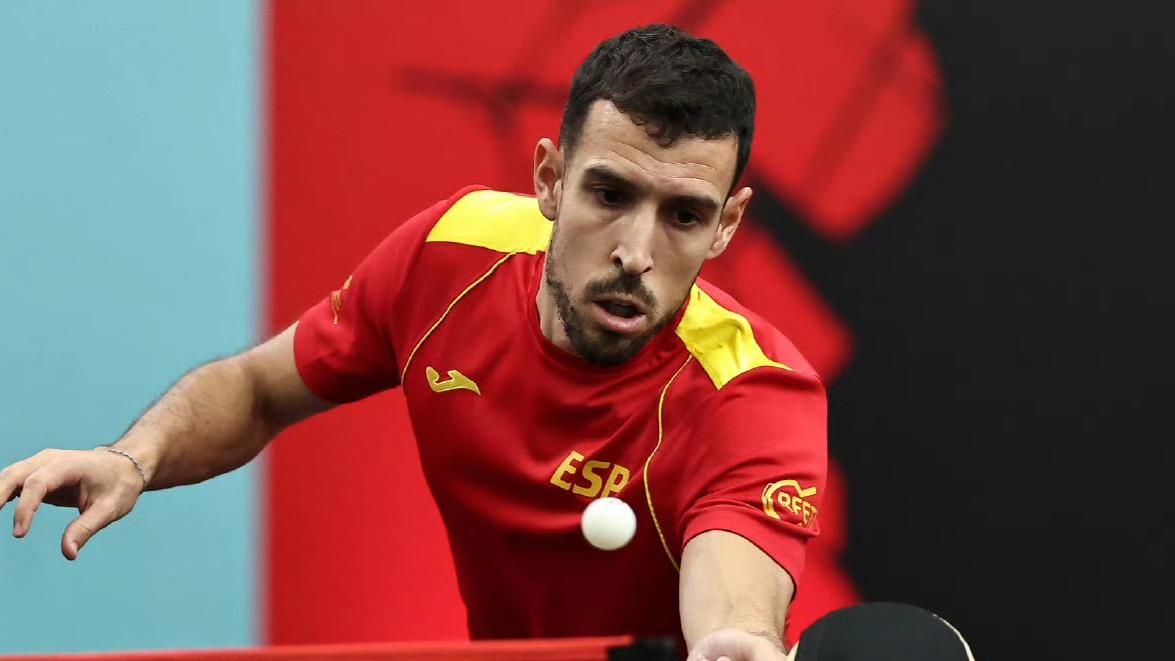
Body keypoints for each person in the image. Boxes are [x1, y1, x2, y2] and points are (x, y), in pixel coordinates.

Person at [1, 25, 826, 660]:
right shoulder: (449, 256)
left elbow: (733, 605)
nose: (635, 252)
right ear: (549, 179)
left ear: (727, 224)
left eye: (683, 215)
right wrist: (133, 457)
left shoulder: (753, 390)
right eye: (609, 194)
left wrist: (735, 644)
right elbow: (256, 389)